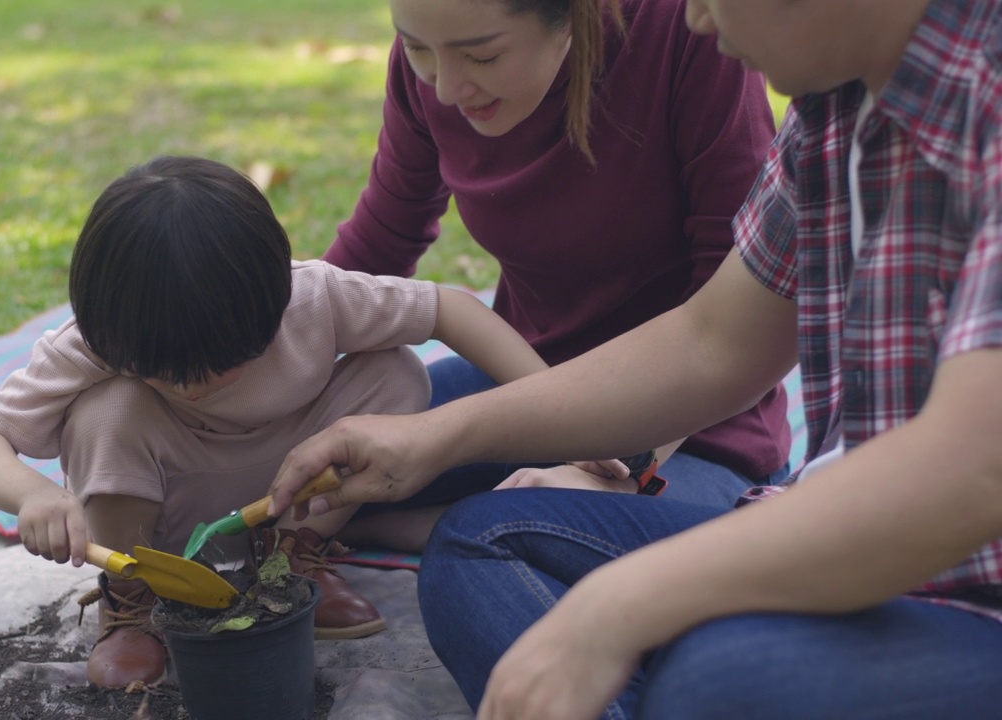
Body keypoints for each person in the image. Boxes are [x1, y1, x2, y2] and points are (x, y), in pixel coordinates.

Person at [268, 0, 1002, 716]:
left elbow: (972, 470)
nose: (698, 17)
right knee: (480, 542)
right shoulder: (834, 108)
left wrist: (616, 610)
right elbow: (712, 342)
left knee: (721, 675)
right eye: (423, 51)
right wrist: (434, 436)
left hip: (970, 589)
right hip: (856, 536)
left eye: (481, 54)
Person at [0, 155, 547, 689]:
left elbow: (452, 309)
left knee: (397, 372)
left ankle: (291, 561)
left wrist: (550, 402)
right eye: (166, 373)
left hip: (288, 497)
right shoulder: (98, 340)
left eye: (225, 366)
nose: (194, 386)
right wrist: (33, 495)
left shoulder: (314, 298)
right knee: (107, 407)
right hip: (159, 532)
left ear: (275, 296)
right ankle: (133, 605)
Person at [324, 0, 792, 523]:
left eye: (483, 58)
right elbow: (382, 239)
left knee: (500, 534)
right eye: (415, 48)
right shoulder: (443, 43)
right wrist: (266, 343)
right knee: (318, 460)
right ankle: (430, 526)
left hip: (691, 429)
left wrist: (623, 470)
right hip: (523, 381)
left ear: (574, 16)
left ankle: (453, 525)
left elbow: (730, 321)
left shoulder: (688, 33)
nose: (445, 89)